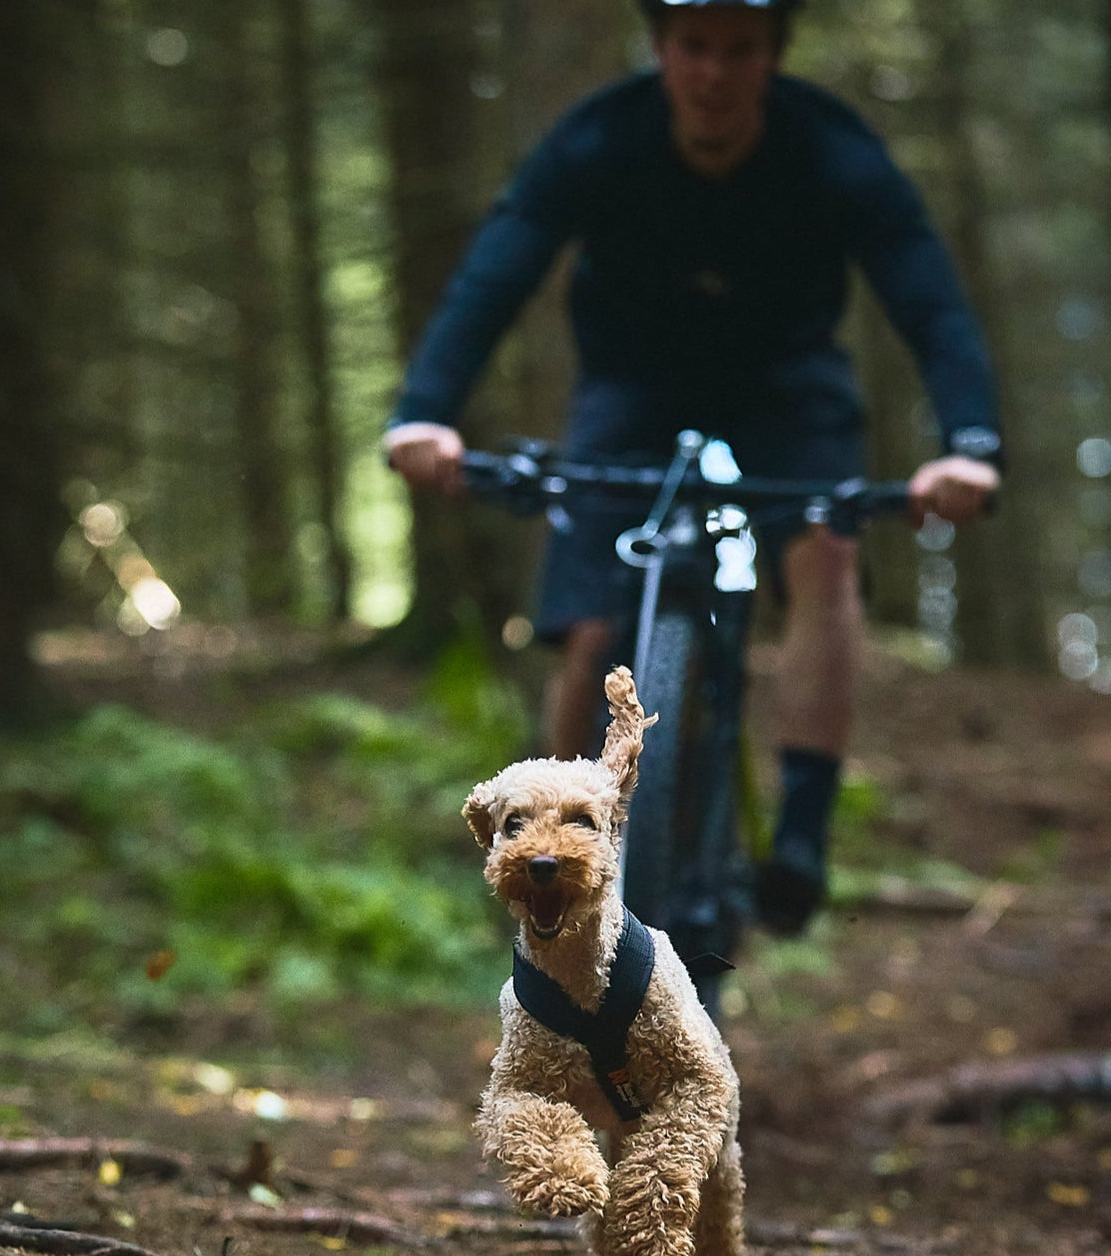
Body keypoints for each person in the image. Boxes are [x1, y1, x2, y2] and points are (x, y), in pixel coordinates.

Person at [383, 0, 1002, 940]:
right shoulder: (599, 140)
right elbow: (495, 271)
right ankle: (554, 859)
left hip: (786, 379)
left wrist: (970, 442)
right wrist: (423, 414)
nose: (714, 73)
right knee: (592, 621)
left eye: (740, 50)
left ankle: (799, 831)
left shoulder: (830, 147)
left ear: (773, 57)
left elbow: (927, 295)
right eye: (694, 47)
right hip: (633, 382)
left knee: (824, 552)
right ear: (662, 51)